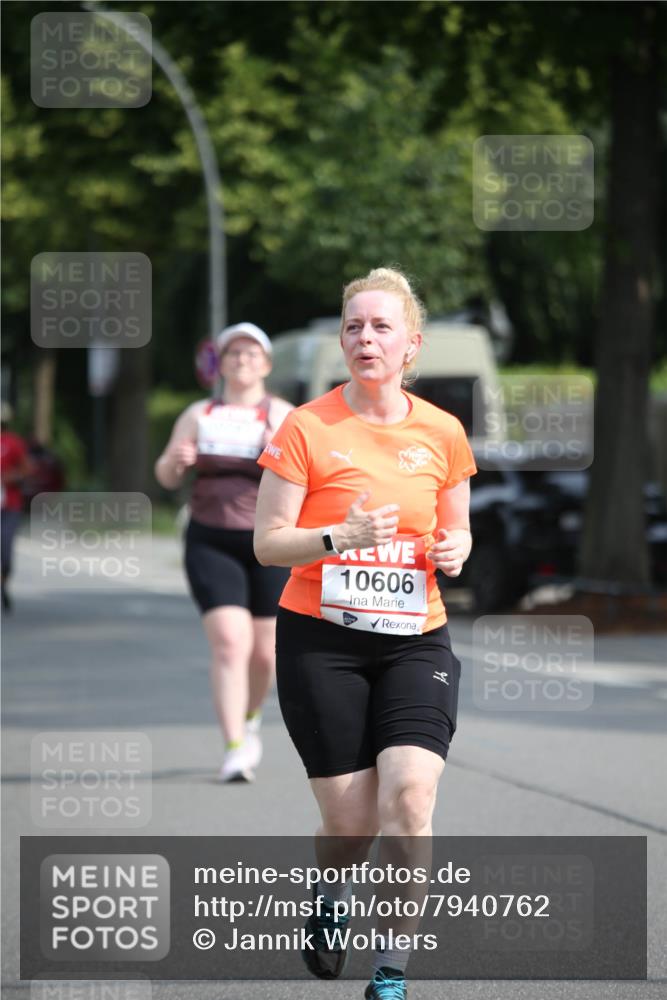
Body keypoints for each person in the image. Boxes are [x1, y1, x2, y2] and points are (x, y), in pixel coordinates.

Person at [254, 268, 476, 999]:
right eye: (353, 326)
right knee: (349, 825)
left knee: (410, 796)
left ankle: (390, 972)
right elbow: (267, 544)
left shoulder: (441, 431)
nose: (364, 338)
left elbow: (458, 531)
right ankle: (330, 898)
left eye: (380, 327)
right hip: (321, 640)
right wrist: (338, 535)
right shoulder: (307, 426)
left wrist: (454, 551)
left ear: (410, 345)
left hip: (417, 638)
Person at [155, 323, 292, 782]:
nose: (241, 361)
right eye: (233, 353)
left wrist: (278, 443)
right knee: (231, 644)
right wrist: (177, 461)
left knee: (266, 655)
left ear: (266, 365)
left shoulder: (285, 415)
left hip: (268, 541)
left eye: (252, 354)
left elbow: (310, 476)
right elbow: (165, 475)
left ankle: (251, 717)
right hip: (211, 538)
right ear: (222, 363)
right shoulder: (200, 412)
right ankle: (234, 745)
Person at [1, 402, 33, 612]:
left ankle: (3, 582)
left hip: (9, 505)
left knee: (5, 548)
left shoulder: (13, 443)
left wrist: (11, 477)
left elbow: (26, 469)